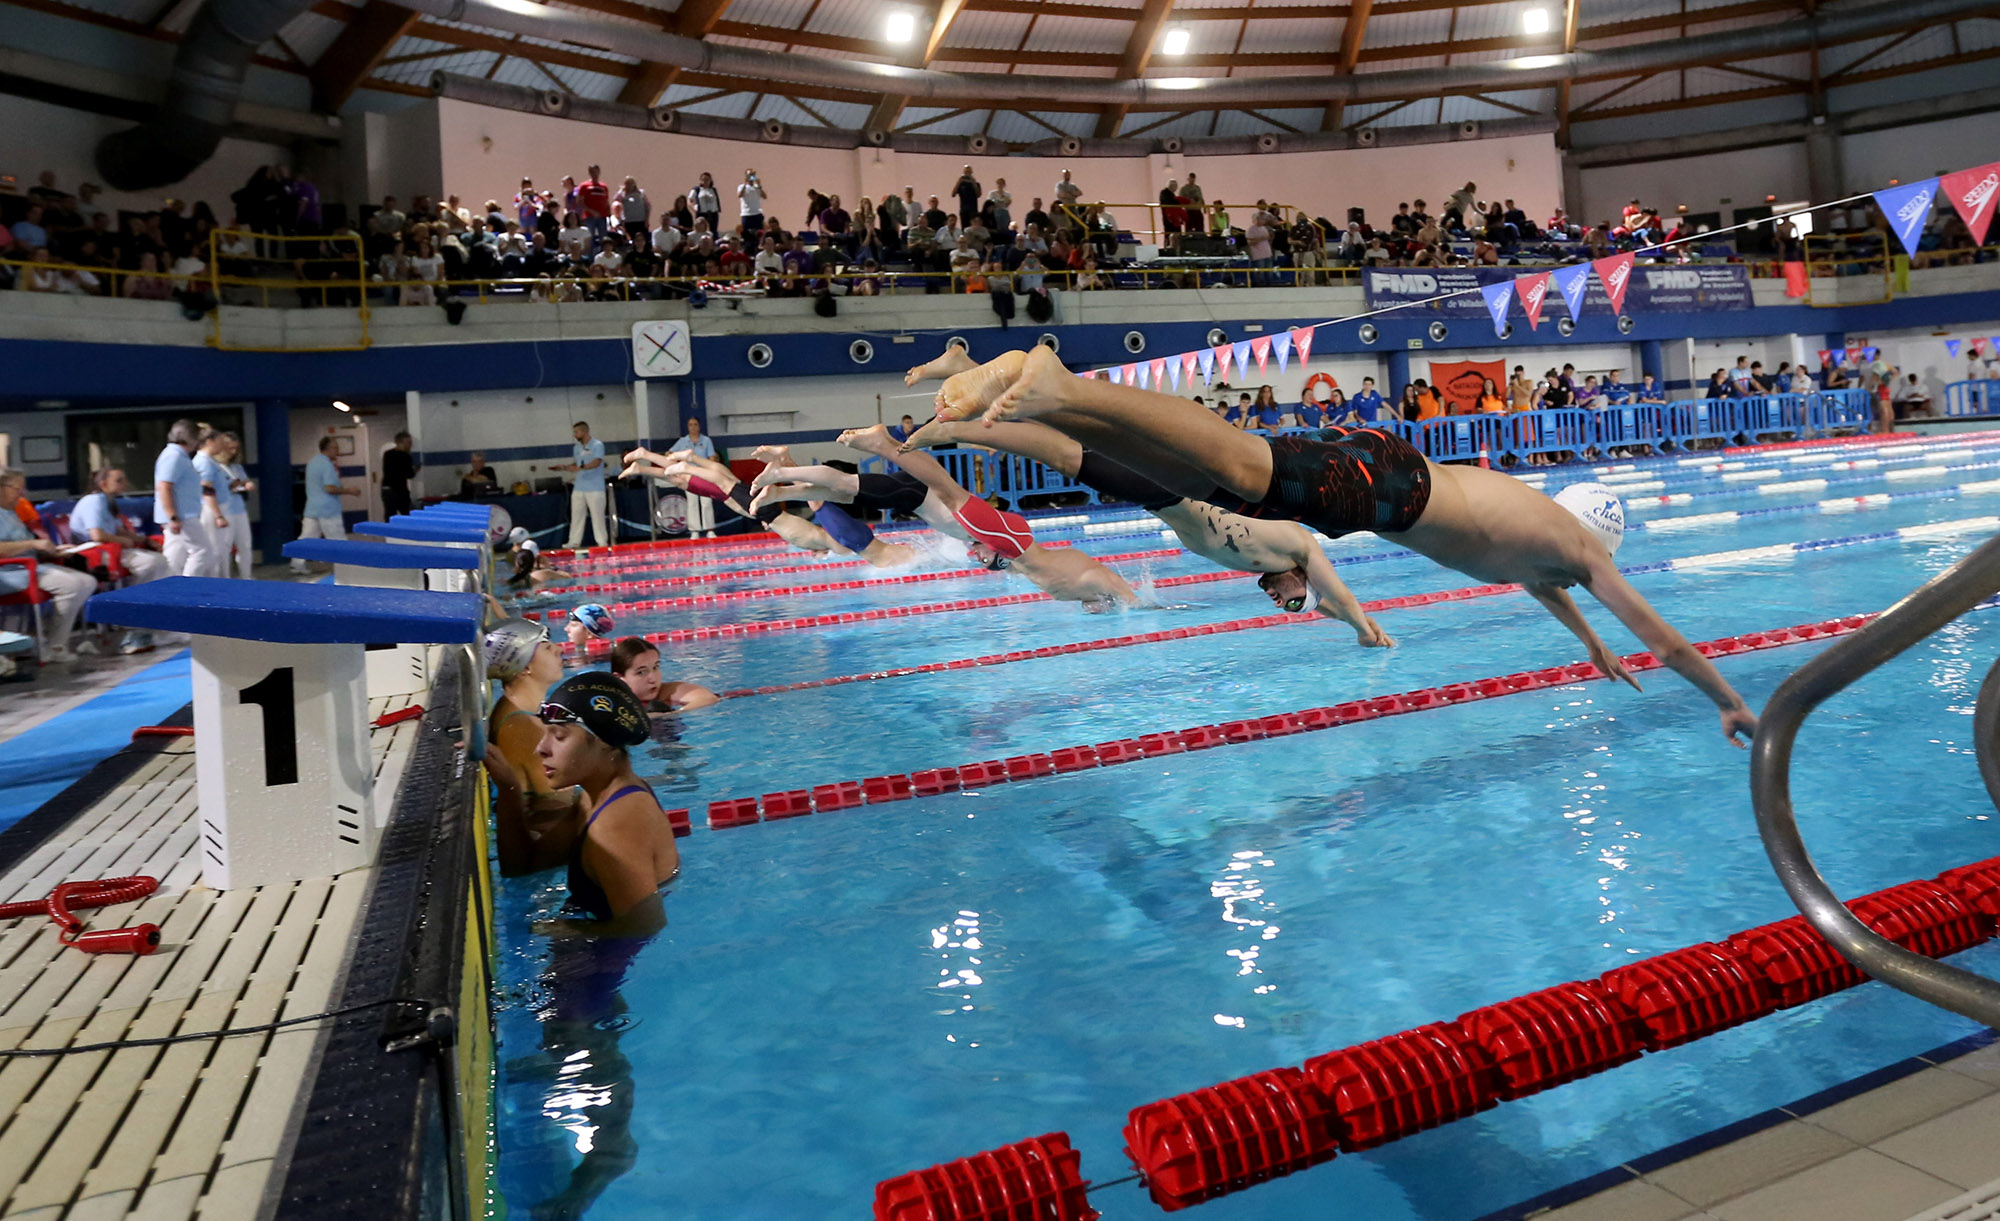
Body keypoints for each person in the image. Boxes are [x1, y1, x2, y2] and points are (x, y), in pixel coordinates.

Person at [913, 346, 1761, 743]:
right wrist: (1725, 697)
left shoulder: (1552, 553)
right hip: (1397, 489)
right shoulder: (1583, 555)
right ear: (1600, 538)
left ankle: (1045, 401)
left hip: (1396, 479)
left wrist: (1590, 646)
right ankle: (1065, 381)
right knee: (1246, 467)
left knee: (1202, 482)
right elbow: (1668, 636)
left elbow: (1556, 594)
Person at [764, 424, 1138, 611]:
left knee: (928, 490)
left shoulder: (1068, 585)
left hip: (1012, 540)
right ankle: (884, 443)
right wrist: (1138, 607)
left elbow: (1097, 592)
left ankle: (787, 484)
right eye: (978, 553)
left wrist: (1100, 606)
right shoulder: (1083, 573)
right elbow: (1116, 587)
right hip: (1011, 538)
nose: (972, 556)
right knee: (945, 488)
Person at [0, 468, 98, 664]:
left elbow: (24, 544)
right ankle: (55, 645)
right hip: (11, 572)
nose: (22, 494)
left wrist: (52, 549)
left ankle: (49, 639)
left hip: (30, 566)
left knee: (87, 581)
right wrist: (33, 544)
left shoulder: (11, 512)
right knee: (72, 585)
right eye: (18, 488)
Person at [71, 467, 170, 650]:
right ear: (103, 484)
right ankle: (134, 618)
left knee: (160, 561)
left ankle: (148, 620)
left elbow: (117, 530)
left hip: (113, 550)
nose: (124, 484)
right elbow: (97, 535)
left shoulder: (107, 502)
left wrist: (144, 540)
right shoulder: (93, 501)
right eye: (119, 480)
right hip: (96, 555)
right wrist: (122, 541)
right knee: (152, 563)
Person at [156, 418, 222, 578]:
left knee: (175, 557)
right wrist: (173, 516)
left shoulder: (178, 456)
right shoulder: (174, 457)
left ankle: (171, 589)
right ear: (190, 438)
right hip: (182, 515)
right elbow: (164, 487)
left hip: (181, 514)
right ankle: (186, 588)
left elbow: (177, 485)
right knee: (203, 551)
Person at [289, 434, 358, 575]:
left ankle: (296, 564)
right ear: (328, 449)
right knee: (338, 539)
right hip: (328, 510)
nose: (338, 450)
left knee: (307, 538)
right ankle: (347, 569)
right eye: (335, 448)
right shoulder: (327, 465)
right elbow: (329, 488)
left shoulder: (313, 462)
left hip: (312, 509)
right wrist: (349, 491)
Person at [610, 636, 719, 712]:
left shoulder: (667, 692)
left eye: (655, 667)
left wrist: (669, 716)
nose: (653, 679)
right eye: (641, 672)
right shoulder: (609, 704)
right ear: (619, 678)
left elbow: (708, 698)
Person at [554, 420, 611, 550]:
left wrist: (580, 468)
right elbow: (577, 464)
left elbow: (596, 462)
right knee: (577, 516)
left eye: (576, 432)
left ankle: (602, 542)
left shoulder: (597, 445)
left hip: (595, 488)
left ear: (585, 431)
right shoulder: (576, 448)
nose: (574, 434)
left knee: (597, 517)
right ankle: (573, 542)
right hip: (579, 487)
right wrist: (565, 467)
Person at [192, 430, 234, 578]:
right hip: (211, 510)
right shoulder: (204, 462)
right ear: (209, 441)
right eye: (219, 441)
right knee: (216, 549)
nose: (222, 445)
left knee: (220, 548)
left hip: (215, 508)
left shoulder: (209, 461)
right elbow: (206, 490)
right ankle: (217, 582)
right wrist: (218, 515)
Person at [667, 417, 716, 539]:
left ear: (699, 426)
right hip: (688, 475)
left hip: (704, 473)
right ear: (688, 427)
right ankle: (694, 530)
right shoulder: (683, 441)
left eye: (695, 424)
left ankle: (710, 529)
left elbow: (712, 457)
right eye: (690, 425)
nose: (693, 427)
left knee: (706, 502)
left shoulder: (706, 441)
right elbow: (668, 454)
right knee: (692, 502)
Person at [218, 432, 255, 577]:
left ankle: (247, 577)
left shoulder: (236, 467)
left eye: (235, 449)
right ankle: (224, 578)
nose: (233, 452)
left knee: (245, 545)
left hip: (239, 509)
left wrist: (248, 484)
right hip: (224, 510)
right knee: (225, 546)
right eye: (230, 449)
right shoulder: (215, 467)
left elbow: (245, 481)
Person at [381, 430, 419, 519]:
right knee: (407, 516)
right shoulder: (406, 456)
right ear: (400, 443)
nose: (410, 445)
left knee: (390, 515)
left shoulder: (387, 454)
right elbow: (409, 475)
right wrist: (415, 470)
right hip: (400, 490)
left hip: (387, 489)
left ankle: (389, 532)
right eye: (408, 443)